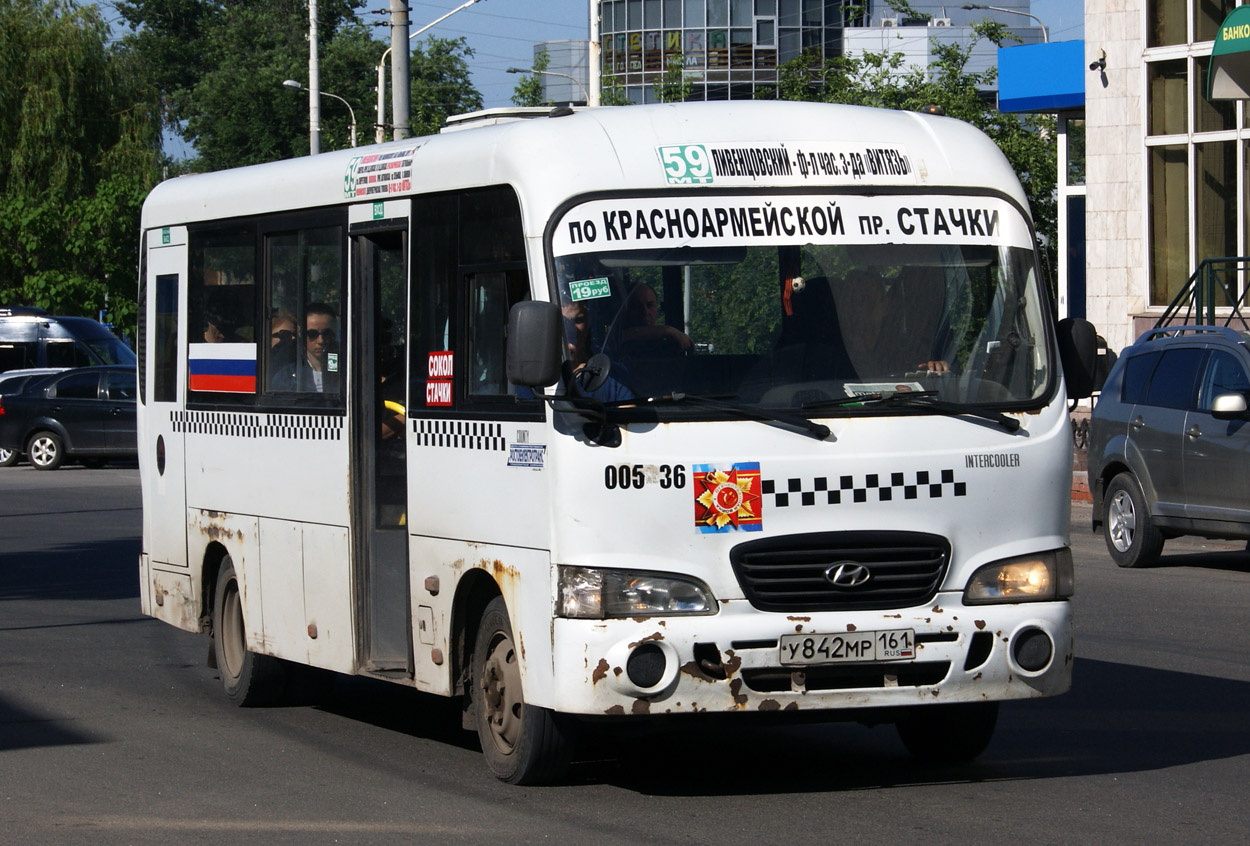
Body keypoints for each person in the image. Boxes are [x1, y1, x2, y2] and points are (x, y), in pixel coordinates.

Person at [563, 300, 634, 403]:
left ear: (589, 323)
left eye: (578, 320)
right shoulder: (534, 378)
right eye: (561, 321)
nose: (569, 329)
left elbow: (629, 413)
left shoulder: (611, 375)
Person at [271, 303, 339, 392]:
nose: (321, 341)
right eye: (312, 334)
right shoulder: (286, 376)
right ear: (300, 332)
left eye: (327, 334)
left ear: (336, 330)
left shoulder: (349, 370)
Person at [620, 283, 693, 353]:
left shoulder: (664, 344)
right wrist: (667, 330)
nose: (645, 312)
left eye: (650, 305)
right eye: (636, 306)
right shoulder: (616, 341)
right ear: (625, 309)